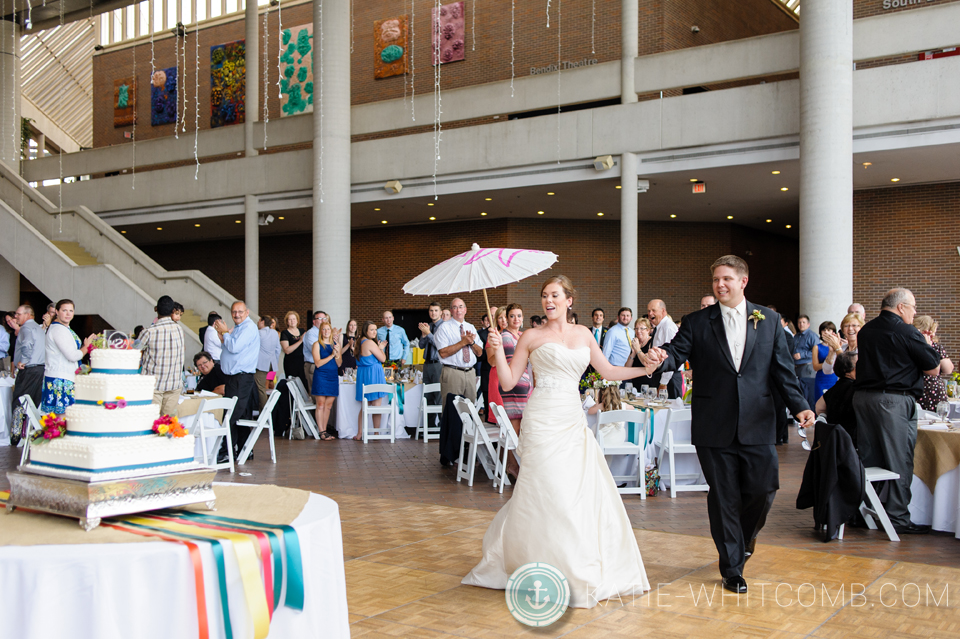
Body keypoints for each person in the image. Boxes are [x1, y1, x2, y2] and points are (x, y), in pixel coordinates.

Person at [463, 275, 650, 608]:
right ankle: (535, 564)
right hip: (541, 419)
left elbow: (607, 371)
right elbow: (506, 382)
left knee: (571, 490)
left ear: (569, 300)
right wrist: (495, 353)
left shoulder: (583, 334)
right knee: (543, 488)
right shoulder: (531, 336)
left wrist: (643, 370)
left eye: (555, 295)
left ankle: (572, 565)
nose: (548, 301)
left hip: (571, 419)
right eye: (544, 296)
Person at [646, 255, 813, 594]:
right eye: (715, 280)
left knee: (764, 489)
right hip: (714, 423)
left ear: (743, 281)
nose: (719, 285)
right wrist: (661, 357)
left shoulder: (769, 320)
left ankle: (745, 537)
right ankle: (732, 566)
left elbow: (782, 370)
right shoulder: (697, 321)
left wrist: (800, 407)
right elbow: (677, 353)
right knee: (723, 496)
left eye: (726, 279)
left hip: (759, 421)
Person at [852, 288, 941, 534]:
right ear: (901, 307)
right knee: (898, 458)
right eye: (913, 307)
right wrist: (926, 343)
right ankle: (897, 518)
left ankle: (869, 510)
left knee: (870, 457)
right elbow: (933, 368)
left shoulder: (867, 329)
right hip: (893, 401)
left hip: (863, 398)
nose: (914, 312)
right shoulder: (906, 330)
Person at [435, 298, 484, 464]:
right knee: (452, 413)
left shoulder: (470, 328)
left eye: (461, 307)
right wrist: (462, 342)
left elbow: (479, 352)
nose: (458, 310)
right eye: (454, 307)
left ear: (466, 309)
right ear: (450, 310)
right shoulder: (444, 328)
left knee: (469, 412)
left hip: (470, 373)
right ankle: (448, 454)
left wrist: (471, 344)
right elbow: (443, 353)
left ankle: (466, 451)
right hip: (453, 372)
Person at [214, 301, 260, 461]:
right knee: (241, 414)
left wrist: (225, 333)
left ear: (247, 312)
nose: (236, 314)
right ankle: (244, 449)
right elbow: (229, 347)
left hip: (241, 377)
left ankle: (227, 451)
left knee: (231, 414)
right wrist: (224, 335)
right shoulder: (240, 328)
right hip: (236, 377)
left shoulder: (248, 327)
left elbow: (234, 347)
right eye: (234, 312)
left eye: (240, 311)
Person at [494, 303, 531, 477]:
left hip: (525, 384)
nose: (516, 319)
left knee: (521, 429)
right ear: (506, 318)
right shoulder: (506, 337)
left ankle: (516, 464)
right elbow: (511, 363)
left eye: (519, 316)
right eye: (512, 316)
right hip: (514, 384)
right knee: (513, 429)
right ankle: (512, 465)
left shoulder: (522, 335)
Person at [41, 299, 95, 414]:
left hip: (63, 376)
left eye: (71, 310)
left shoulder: (64, 328)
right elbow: (72, 355)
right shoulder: (58, 329)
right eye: (64, 310)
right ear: (57, 311)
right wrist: (86, 347)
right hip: (60, 378)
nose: (68, 314)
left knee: (65, 417)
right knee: (62, 417)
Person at [139, 295, 185, 417]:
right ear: (172, 311)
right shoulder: (179, 330)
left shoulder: (148, 332)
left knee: (150, 424)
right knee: (168, 427)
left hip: (153, 387)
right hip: (174, 386)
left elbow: (133, 353)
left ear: (156, 309)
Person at [10, 305, 45, 444]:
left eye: (18, 314)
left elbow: (27, 344)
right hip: (40, 370)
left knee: (19, 401)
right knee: (33, 403)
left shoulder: (26, 328)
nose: (16, 317)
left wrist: (22, 361)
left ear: (28, 315)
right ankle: (29, 435)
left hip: (29, 369)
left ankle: (16, 435)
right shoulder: (39, 329)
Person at [354, 320, 388, 441]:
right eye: (372, 330)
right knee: (376, 406)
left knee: (365, 406)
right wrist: (381, 348)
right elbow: (383, 358)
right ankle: (376, 434)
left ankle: (359, 433)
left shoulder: (360, 341)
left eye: (375, 329)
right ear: (366, 331)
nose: (375, 332)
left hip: (364, 374)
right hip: (374, 375)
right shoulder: (369, 343)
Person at [816, 351, 859, 447]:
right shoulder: (857, 389)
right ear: (847, 370)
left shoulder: (833, 389)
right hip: (853, 441)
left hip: (835, 438)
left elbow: (819, 408)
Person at [913, 315, 954, 411]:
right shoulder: (935, 347)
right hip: (934, 391)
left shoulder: (910, 344)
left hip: (915, 391)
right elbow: (948, 369)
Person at [312, 320, 342, 441]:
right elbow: (318, 363)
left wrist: (337, 353)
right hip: (321, 376)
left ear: (331, 331)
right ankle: (322, 431)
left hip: (332, 375)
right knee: (320, 404)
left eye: (328, 329)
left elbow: (339, 364)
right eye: (323, 329)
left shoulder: (335, 344)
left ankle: (325, 431)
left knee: (328, 406)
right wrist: (331, 355)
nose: (326, 332)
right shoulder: (317, 344)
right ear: (320, 331)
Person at [647, 299, 681, 398]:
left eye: (653, 310)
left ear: (663, 311)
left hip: (669, 379)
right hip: (660, 375)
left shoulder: (668, 327)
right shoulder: (659, 327)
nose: (650, 313)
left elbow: (671, 357)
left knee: (670, 410)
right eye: (648, 311)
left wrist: (663, 383)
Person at [773, 315, 797, 444]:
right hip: (770, 379)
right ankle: (780, 435)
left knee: (780, 408)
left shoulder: (787, 337)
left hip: (780, 377)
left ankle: (780, 436)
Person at [821, 313, 864, 377]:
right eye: (846, 326)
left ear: (861, 328)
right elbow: (827, 371)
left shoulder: (864, 348)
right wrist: (832, 352)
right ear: (843, 330)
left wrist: (837, 348)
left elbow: (849, 369)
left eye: (854, 325)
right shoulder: (843, 347)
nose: (850, 329)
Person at [417, 303, 443, 408]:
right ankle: (429, 423)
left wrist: (428, 334)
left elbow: (439, 345)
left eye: (436, 310)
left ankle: (441, 424)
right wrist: (423, 336)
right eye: (431, 310)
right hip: (426, 364)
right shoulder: (429, 326)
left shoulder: (444, 326)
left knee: (438, 395)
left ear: (441, 312)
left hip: (438, 364)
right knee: (427, 396)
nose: (433, 313)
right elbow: (421, 346)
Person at [485, 308, 508, 424]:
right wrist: (501, 348)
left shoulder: (520, 335)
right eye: (500, 318)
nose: (504, 320)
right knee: (501, 412)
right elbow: (492, 362)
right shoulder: (492, 337)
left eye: (506, 316)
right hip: (498, 376)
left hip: (515, 374)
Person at [255, 315, 282, 411]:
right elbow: (278, 349)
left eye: (259, 320)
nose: (258, 322)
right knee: (271, 385)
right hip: (272, 365)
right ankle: (273, 411)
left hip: (261, 365)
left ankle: (265, 413)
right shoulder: (275, 333)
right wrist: (275, 362)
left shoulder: (259, 333)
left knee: (261, 388)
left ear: (262, 321)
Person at [792, 315, 818, 410]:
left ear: (808, 324)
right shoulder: (797, 336)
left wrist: (802, 355)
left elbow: (816, 351)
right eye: (799, 322)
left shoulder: (812, 336)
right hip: (797, 367)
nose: (801, 324)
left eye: (803, 322)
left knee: (808, 393)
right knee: (800, 392)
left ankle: (810, 414)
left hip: (807, 367)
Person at [811, 321, 840, 400]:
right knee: (820, 401)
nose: (826, 332)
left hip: (833, 377)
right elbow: (815, 366)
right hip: (821, 378)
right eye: (824, 330)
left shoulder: (838, 346)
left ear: (833, 332)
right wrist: (828, 363)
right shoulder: (817, 347)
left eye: (829, 330)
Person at [280, 311, 309, 390]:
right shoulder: (285, 333)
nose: (292, 321)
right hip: (290, 362)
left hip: (302, 362)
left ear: (297, 320)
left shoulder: (302, 331)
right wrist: (300, 341)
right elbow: (287, 350)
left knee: (304, 384)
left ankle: (303, 402)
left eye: (294, 319)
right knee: (292, 385)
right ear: (287, 322)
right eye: (290, 319)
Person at [302, 310, 326, 384]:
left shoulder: (324, 333)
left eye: (324, 319)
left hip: (323, 364)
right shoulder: (311, 333)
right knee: (316, 393)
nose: (323, 321)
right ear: (314, 321)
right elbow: (315, 350)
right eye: (319, 318)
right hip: (313, 365)